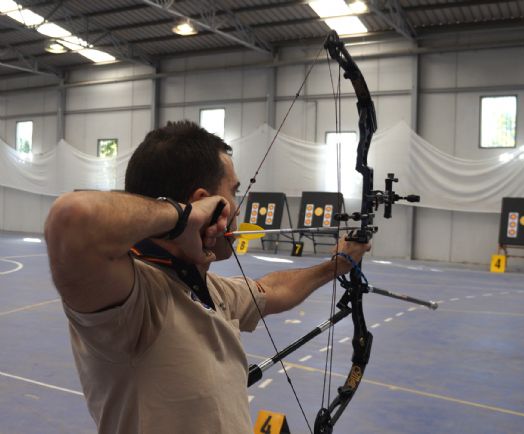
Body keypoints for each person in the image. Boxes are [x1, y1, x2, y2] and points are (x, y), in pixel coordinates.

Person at [44, 120, 370, 434]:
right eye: (233, 192)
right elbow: (73, 220)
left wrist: (336, 266)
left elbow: (272, 289)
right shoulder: (134, 301)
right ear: (205, 203)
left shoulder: (210, 290)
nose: (238, 209)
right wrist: (183, 217)